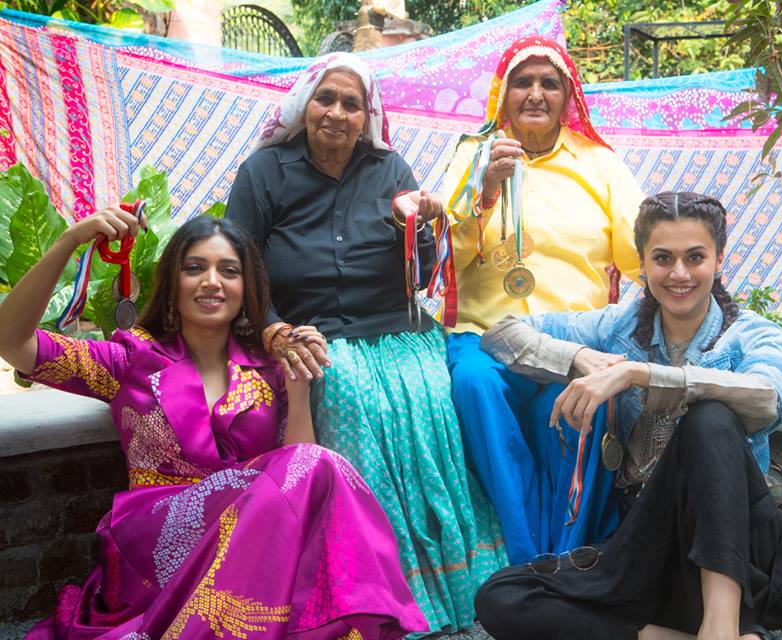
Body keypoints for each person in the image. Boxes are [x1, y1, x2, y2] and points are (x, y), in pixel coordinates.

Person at [0, 210, 428, 639]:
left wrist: (297, 386)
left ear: (246, 288)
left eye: (228, 271)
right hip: (157, 540)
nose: (211, 281)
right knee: (317, 467)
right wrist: (70, 241)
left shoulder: (266, 368)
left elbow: (296, 469)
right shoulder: (129, 360)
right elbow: (11, 342)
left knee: (318, 468)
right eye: (195, 268)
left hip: (251, 540)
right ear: (173, 284)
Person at [226, 52, 507, 632]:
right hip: (312, 334)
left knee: (433, 395)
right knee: (347, 390)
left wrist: (422, 228)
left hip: (397, 330)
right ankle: (376, 583)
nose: (336, 113)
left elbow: (421, 275)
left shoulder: (389, 168)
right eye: (326, 99)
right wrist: (272, 328)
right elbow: (237, 264)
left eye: (351, 104)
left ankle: (455, 581)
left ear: (367, 116)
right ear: (304, 107)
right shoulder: (265, 172)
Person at [473, 192, 782, 639]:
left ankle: (721, 623)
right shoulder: (618, 326)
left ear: (719, 260)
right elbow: (502, 332)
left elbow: (766, 397)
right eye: (663, 258)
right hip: (651, 540)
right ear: (642, 264)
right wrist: (580, 358)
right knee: (502, 596)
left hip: (744, 549)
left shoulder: (751, 334)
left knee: (709, 418)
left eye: (695, 257)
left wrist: (641, 374)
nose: (679, 273)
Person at [441, 35, 646, 563]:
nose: (535, 94)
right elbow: (446, 258)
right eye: (523, 82)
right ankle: (528, 560)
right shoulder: (474, 154)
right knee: (474, 384)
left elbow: (644, 256)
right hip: (485, 336)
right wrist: (485, 191)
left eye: (549, 83)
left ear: (567, 97)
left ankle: (568, 560)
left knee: (584, 403)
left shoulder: (600, 164)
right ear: (502, 94)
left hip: (573, 340)